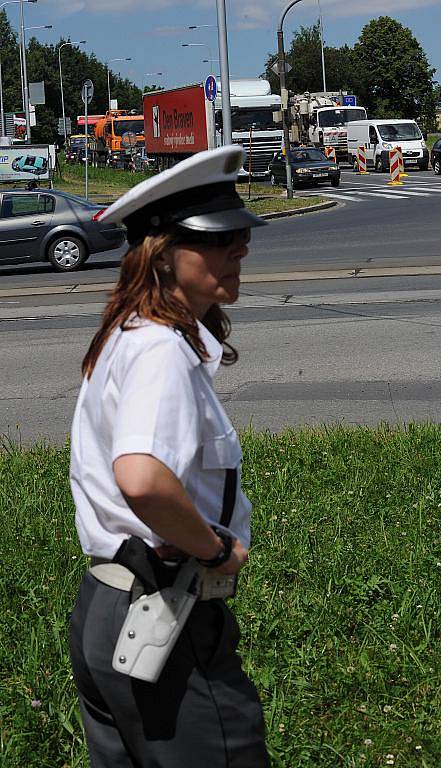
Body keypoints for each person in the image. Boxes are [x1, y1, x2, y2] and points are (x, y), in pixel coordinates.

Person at [68, 145, 271, 768]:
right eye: (218, 238)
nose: (240, 248)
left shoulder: (129, 334)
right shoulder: (159, 349)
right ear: (161, 255)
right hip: (165, 616)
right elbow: (142, 478)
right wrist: (215, 550)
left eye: (240, 233)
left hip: (109, 608)